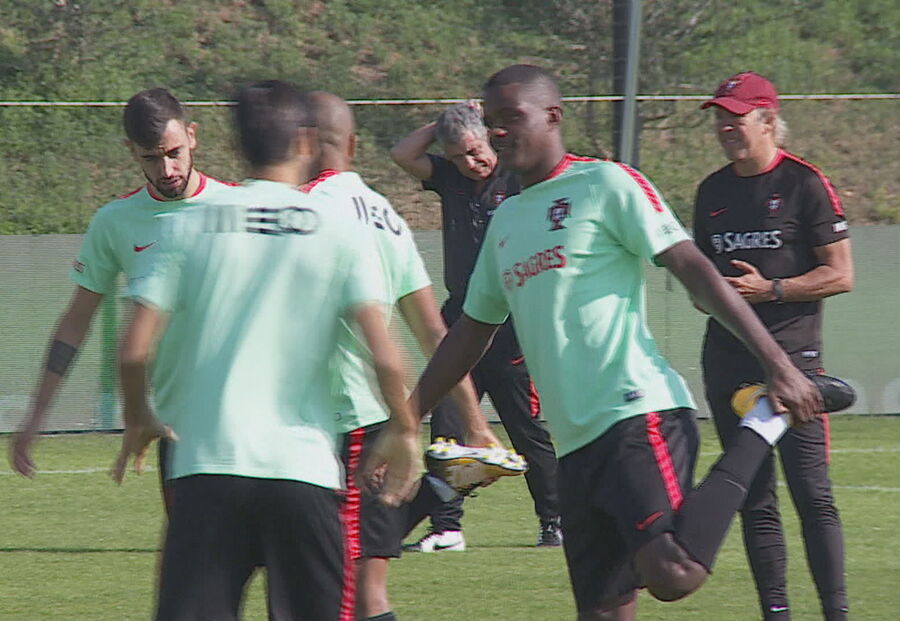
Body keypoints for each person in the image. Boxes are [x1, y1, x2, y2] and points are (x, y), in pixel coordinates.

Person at [401, 64, 823, 620]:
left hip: (637, 415)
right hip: (575, 447)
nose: (498, 132)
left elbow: (695, 271)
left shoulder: (606, 183)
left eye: (512, 118)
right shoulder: (506, 221)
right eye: (492, 121)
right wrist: (405, 419)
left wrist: (775, 364)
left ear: (552, 116)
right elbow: (469, 334)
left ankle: (762, 424)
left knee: (672, 572)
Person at [111, 80, 419, 621]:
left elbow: (134, 351)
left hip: (206, 471)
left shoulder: (188, 226)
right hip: (303, 473)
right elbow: (388, 357)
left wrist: (139, 417)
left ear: (235, 147)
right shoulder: (339, 230)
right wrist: (405, 431)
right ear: (305, 142)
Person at [302, 91, 502, 621]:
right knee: (366, 593)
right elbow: (438, 336)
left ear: (300, 141)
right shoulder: (386, 214)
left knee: (321, 590)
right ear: (351, 143)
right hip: (377, 423)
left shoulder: (304, 210)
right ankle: (440, 491)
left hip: (324, 425)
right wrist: (476, 424)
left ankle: (446, 495)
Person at [9, 88, 236, 508]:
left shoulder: (241, 207)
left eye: (174, 152)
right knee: (192, 568)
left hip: (254, 423)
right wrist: (36, 415)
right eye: (151, 158)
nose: (167, 169)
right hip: (180, 430)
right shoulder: (116, 222)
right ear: (130, 151)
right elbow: (75, 323)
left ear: (192, 135)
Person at [694, 71, 853, 621]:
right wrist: (717, 296)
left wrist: (772, 290)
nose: (724, 127)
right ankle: (776, 613)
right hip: (728, 363)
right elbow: (701, 285)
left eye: (735, 116)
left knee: (812, 494)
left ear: (767, 120)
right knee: (754, 498)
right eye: (719, 117)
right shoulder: (711, 191)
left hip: (795, 366)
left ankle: (836, 612)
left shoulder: (806, 183)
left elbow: (841, 274)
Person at [391, 101, 561, 549]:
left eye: (475, 149)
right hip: (461, 321)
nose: (473, 161)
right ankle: (447, 527)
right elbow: (402, 154)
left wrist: (470, 121)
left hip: (509, 324)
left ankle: (554, 520)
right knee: (445, 428)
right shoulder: (449, 179)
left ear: (488, 137)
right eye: (460, 155)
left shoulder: (515, 176)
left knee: (525, 429)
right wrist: (443, 122)